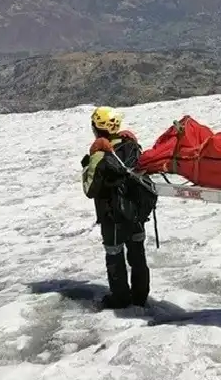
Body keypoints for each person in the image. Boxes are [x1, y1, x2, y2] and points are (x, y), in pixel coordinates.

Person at [81, 106, 154, 310]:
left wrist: (89, 162)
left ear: (97, 128)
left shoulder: (99, 155)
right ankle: (140, 297)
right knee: (137, 255)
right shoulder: (132, 146)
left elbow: (90, 189)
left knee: (115, 255)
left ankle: (121, 299)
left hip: (112, 216)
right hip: (136, 213)